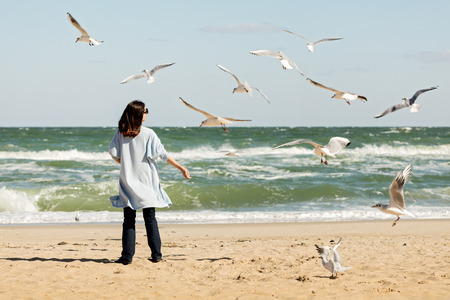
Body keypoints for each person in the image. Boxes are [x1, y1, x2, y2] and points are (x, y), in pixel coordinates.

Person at [109, 100, 190, 265]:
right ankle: (156, 255)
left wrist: (126, 165)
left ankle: (127, 257)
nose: (147, 113)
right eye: (146, 110)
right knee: (150, 218)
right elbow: (162, 154)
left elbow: (114, 153)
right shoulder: (148, 134)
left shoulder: (120, 133)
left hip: (127, 181)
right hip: (147, 181)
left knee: (129, 219)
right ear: (139, 114)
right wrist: (180, 167)